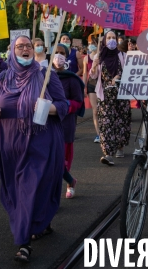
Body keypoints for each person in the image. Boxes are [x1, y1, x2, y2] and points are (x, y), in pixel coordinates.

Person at [0, 36, 67, 263]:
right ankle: (41, 222)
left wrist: (49, 108)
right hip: (9, 146)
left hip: (40, 143)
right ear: (12, 51)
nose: (26, 49)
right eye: (20, 46)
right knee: (15, 189)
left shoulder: (46, 75)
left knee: (30, 188)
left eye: (29, 46)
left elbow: (63, 105)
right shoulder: (2, 77)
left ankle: (24, 244)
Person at [89, 31, 131, 165]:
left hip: (121, 94)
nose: (112, 40)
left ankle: (120, 147)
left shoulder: (123, 56)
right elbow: (93, 76)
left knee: (121, 121)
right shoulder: (99, 57)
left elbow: (130, 73)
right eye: (109, 38)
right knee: (106, 123)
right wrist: (94, 65)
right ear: (104, 41)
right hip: (105, 96)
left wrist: (119, 78)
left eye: (114, 38)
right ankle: (108, 154)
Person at [52, 44, 84, 199]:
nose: (58, 55)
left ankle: (69, 182)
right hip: (46, 125)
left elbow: (79, 102)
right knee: (49, 161)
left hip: (65, 125)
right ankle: (56, 191)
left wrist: (65, 105)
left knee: (61, 161)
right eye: (56, 53)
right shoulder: (43, 77)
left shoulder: (72, 79)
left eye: (62, 53)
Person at [83, 38, 101, 143]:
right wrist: (84, 86)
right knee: (95, 110)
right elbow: (85, 73)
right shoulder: (86, 58)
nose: (91, 45)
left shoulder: (101, 57)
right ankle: (98, 134)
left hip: (102, 84)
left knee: (102, 109)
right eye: (89, 44)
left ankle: (105, 131)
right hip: (91, 85)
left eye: (93, 43)